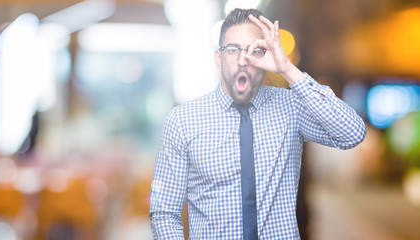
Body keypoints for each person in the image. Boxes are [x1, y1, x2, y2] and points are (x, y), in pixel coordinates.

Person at [149, 8, 366, 240]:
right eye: (233, 50)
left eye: (255, 50)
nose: (243, 60)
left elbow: (352, 133)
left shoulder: (291, 108)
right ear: (218, 58)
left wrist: (288, 70)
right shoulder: (182, 121)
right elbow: (164, 212)